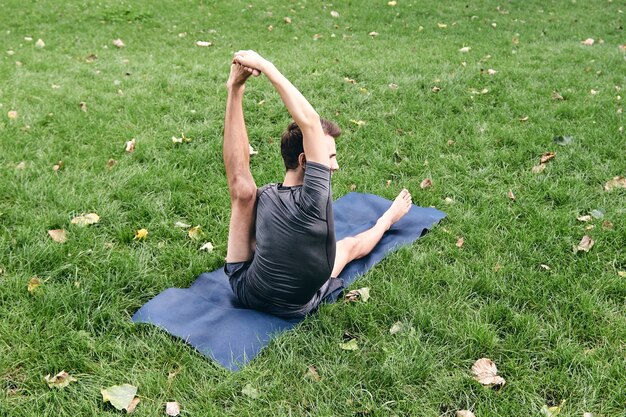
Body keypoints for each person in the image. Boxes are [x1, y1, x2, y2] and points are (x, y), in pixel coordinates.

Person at [223, 50, 413, 319]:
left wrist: (235, 87)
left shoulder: (262, 197)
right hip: (294, 306)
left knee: (242, 192)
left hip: (246, 290)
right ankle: (389, 218)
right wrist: (265, 65)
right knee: (348, 247)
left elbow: (237, 172)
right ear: (305, 160)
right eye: (329, 157)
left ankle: (234, 90)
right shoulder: (314, 197)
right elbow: (309, 122)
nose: (333, 165)